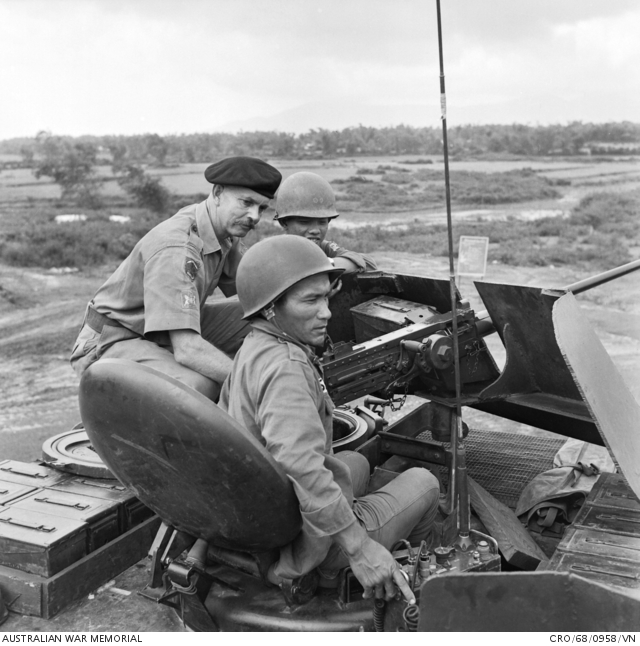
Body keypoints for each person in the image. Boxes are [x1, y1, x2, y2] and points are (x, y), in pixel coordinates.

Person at [219, 235, 439, 604]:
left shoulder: (255, 346)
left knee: (354, 462)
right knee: (425, 483)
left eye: (326, 298)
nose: (327, 313)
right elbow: (302, 465)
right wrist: (359, 548)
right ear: (271, 308)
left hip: (265, 511)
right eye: (311, 301)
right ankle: (384, 583)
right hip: (304, 541)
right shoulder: (287, 368)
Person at [70, 156, 282, 402]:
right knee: (200, 387)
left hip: (161, 329)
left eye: (261, 208)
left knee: (267, 314)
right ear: (217, 193)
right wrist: (254, 384)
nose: (254, 216)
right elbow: (187, 349)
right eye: (246, 202)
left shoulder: (222, 229)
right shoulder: (177, 248)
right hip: (113, 339)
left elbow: (254, 287)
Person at [274, 171, 377, 273]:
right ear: (284, 223)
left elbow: (367, 262)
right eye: (304, 222)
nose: (315, 230)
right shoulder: (273, 252)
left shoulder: (323, 247)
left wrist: (327, 264)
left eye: (322, 222)